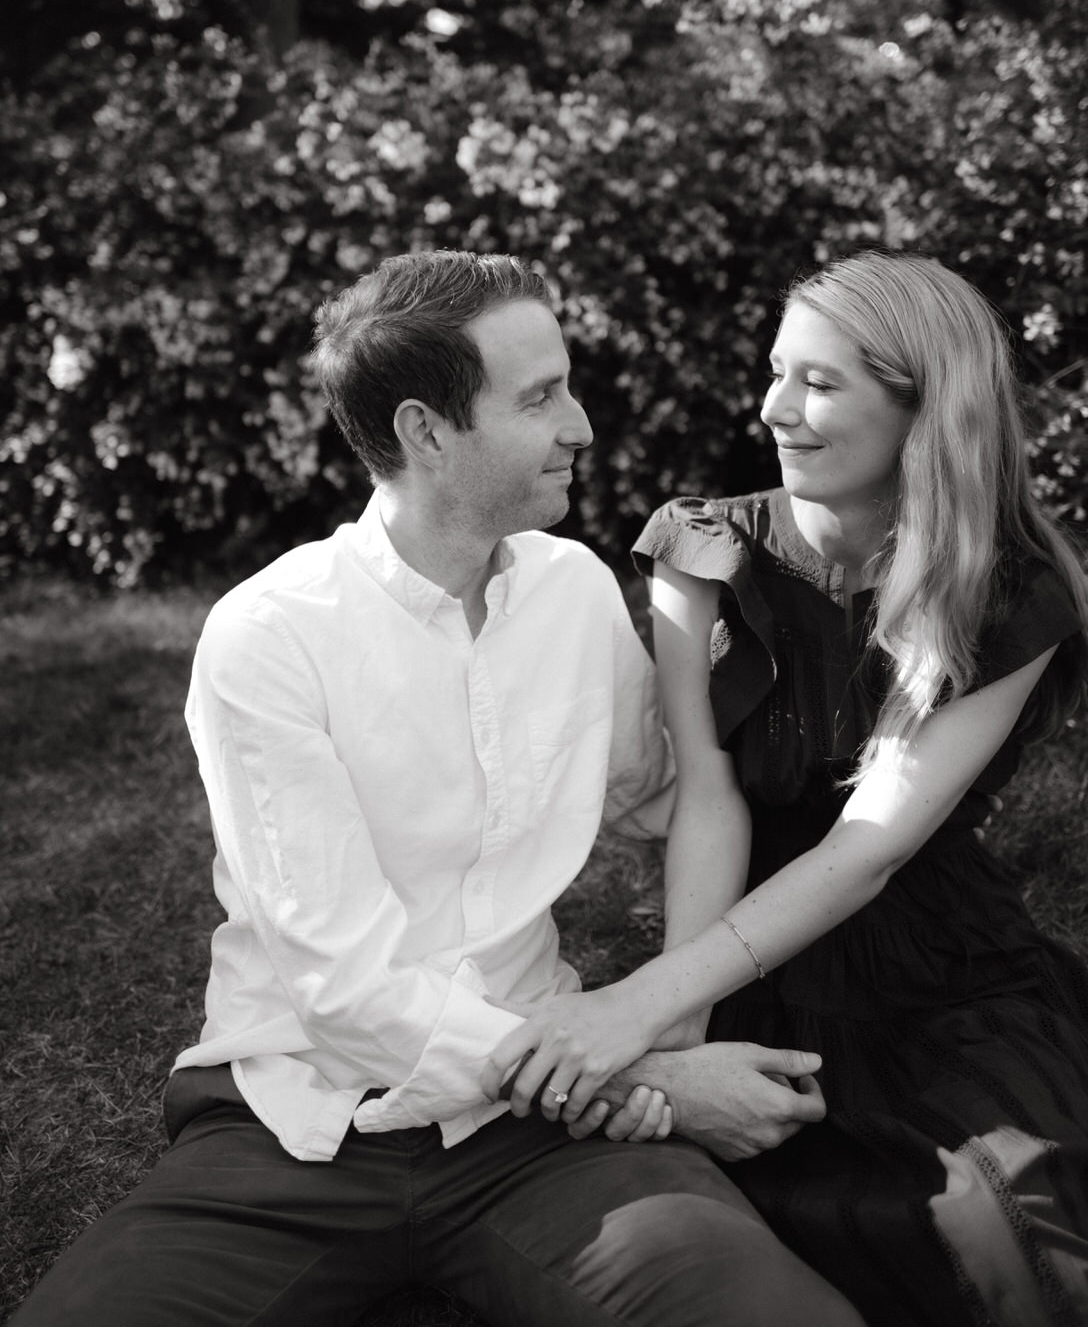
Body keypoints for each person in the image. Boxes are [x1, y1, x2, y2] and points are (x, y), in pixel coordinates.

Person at [12, 250, 863, 1327]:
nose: (582, 426)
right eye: (541, 396)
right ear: (426, 432)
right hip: (298, 1124)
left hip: (540, 1142)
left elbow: (671, 796)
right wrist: (642, 1079)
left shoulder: (573, 593)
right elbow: (346, 989)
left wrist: (874, 803)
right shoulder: (269, 637)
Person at [485, 250, 1088, 1327]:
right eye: (775, 372)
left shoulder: (1007, 588)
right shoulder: (703, 549)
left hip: (934, 954)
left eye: (818, 382)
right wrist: (674, 1021)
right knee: (752, 1212)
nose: (775, 410)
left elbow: (872, 845)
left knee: (997, 1218)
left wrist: (632, 1007)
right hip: (730, 935)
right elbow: (708, 796)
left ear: (922, 408)